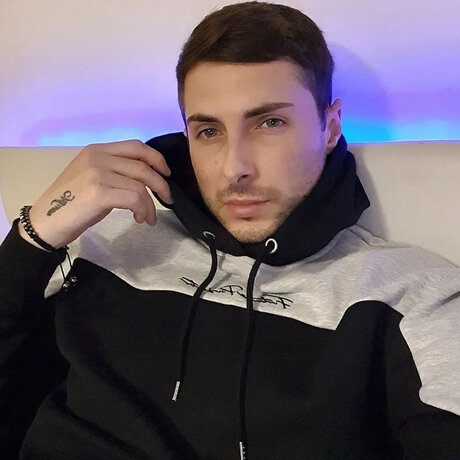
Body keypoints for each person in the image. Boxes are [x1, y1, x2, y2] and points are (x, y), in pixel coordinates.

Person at [0, 1, 459, 459]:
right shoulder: (104, 238)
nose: (234, 168)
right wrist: (33, 235)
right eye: (209, 131)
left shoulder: (410, 293)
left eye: (270, 122)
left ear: (331, 127)